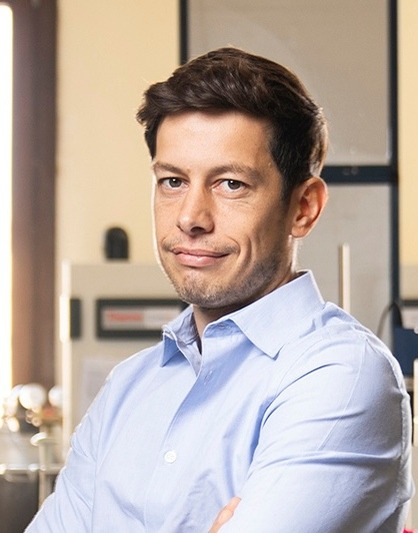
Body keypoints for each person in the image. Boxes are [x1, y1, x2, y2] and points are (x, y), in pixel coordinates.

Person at [26, 47, 413, 532]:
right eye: (172, 181)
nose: (190, 217)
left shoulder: (341, 377)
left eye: (230, 184)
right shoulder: (128, 387)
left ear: (304, 208)